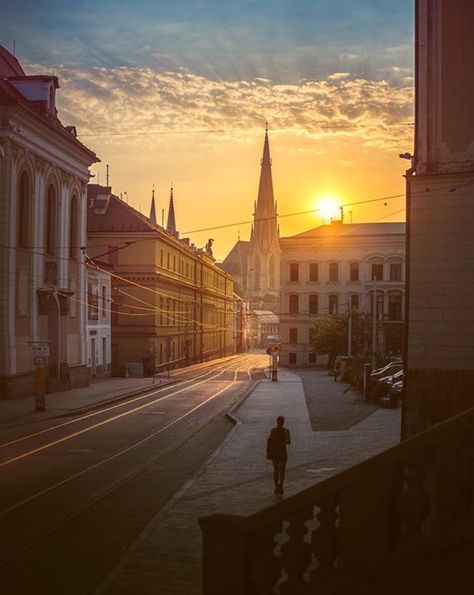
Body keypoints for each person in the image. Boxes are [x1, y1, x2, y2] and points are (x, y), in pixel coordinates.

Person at [267, 416, 291, 495]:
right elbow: (288, 442)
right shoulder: (286, 431)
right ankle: (280, 485)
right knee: (282, 470)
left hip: (275, 453)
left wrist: (268, 452)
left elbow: (269, 441)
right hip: (282, 452)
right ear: (283, 422)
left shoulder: (273, 430)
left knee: (276, 470)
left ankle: (276, 487)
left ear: (277, 422)